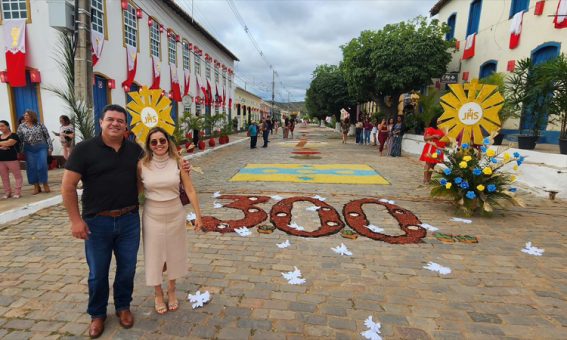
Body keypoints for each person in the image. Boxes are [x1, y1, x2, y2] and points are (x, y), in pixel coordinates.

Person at [61, 104, 191, 338]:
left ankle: (123, 307)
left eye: (120, 121)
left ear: (126, 126)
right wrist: (75, 221)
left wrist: (182, 166)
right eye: (110, 119)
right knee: (98, 272)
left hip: (129, 220)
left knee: (127, 269)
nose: (115, 124)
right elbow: (67, 186)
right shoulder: (84, 149)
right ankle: (97, 314)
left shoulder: (135, 151)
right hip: (96, 222)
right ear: (101, 122)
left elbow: (157, 165)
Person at [138, 127, 203, 315]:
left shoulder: (179, 162)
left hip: (175, 213)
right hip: (152, 215)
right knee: (154, 255)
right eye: (154, 142)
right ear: (149, 145)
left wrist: (199, 216)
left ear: (168, 142)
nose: (159, 144)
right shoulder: (141, 165)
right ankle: (157, 293)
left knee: (174, 254)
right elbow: (136, 191)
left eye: (162, 140)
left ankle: (172, 290)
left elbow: (190, 190)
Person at [17, 110, 53, 194]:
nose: (25, 117)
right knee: (32, 167)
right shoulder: (21, 126)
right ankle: (36, 186)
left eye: (27, 115)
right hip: (28, 148)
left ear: (32, 116)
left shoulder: (40, 125)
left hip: (41, 146)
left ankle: (45, 183)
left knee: (42, 165)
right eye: (24, 115)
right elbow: (19, 139)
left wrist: (50, 147)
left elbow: (47, 136)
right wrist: (19, 150)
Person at [0, 120, 23, 199]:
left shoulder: (14, 135)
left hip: (12, 159)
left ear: (8, 126)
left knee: (17, 176)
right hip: (1, 160)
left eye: (2, 126)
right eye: (0, 126)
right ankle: (7, 192)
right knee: (4, 177)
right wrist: (3, 145)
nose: (1, 128)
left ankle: (17, 192)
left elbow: (10, 143)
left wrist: (4, 144)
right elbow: (6, 143)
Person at [419, 118, 446, 184]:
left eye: (441, 121)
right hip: (431, 148)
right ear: (435, 122)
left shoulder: (442, 130)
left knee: (433, 164)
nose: (440, 122)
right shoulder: (430, 129)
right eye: (439, 121)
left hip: (438, 149)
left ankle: (429, 178)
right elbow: (425, 138)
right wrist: (433, 136)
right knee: (428, 163)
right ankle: (425, 179)